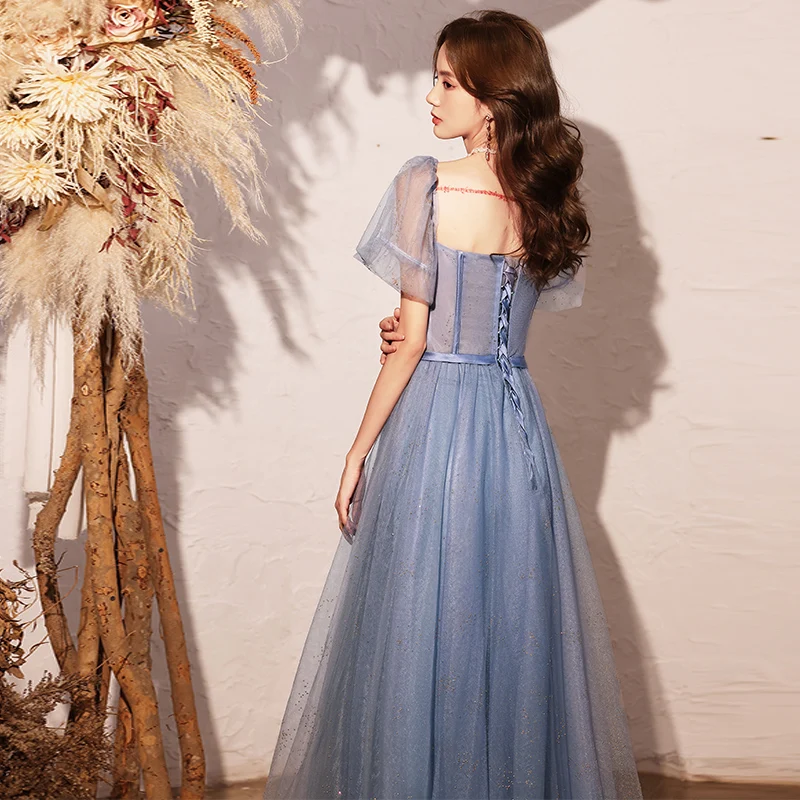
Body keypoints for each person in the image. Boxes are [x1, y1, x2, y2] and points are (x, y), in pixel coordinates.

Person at [264, 10, 642, 799]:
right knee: (510, 622)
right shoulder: (543, 197)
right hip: (516, 428)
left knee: (420, 623)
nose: (430, 97)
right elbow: (482, 320)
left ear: (494, 99)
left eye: (446, 81)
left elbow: (410, 343)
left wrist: (357, 450)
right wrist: (423, 327)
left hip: (437, 422)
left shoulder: (424, 183)